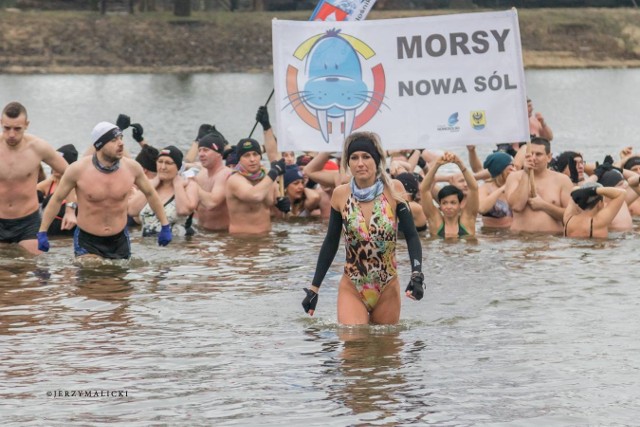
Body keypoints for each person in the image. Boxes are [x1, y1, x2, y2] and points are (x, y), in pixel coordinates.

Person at [301, 131, 424, 325]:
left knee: (386, 351)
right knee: (353, 345)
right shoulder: (340, 195)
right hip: (353, 285)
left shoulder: (394, 189)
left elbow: (411, 235)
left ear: (377, 160)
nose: (360, 163)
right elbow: (331, 242)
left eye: (366, 157)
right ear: (347, 163)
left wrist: (417, 273)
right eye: (354, 158)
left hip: (387, 286)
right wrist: (314, 288)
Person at [37, 121, 173, 259]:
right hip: (88, 240)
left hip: (119, 240)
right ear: (99, 145)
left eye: (121, 138)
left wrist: (165, 225)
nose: (121, 143)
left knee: (117, 278)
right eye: (114, 140)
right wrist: (43, 231)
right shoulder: (78, 170)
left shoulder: (132, 168)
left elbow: (150, 194)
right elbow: (57, 199)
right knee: (93, 270)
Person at [0, 101, 74, 254]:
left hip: (28, 221)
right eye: (7, 128)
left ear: (26, 125)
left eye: (17, 129)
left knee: (36, 269)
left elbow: (71, 174)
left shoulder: (38, 147)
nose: (11, 134)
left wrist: (70, 210)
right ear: (1, 123)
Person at [505, 137, 572, 234]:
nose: (533, 158)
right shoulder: (514, 177)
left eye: (538, 154)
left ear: (549, 157)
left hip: (553, 241)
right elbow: (516, 206)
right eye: (530, 154)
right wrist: (525, 174)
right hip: (520, 240)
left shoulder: (562, 180)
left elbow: (570, 216)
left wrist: (543, 205)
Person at [128, 145, 199, 237]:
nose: (163, 167)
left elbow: (183, 210)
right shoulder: (150, 185)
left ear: (178, 166)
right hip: (148, 248)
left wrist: (178, 185)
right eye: (160, 162)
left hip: (177, 247)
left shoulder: (189, 185)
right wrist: (153, 184)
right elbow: (132, 210)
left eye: (168, 163)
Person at [225, 138, 290, 235]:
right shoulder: (234, 179)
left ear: (260, 156)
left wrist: (284, 207)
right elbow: (255, 196)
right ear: (239, 159)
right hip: (241, 241)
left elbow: (283, 217)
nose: (252, 159)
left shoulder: (267, 177)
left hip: (266, 239)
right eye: (246, 155)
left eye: (255, 154)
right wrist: (274, 172)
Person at [419, 152, 479, 238]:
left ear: (460, 204)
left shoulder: (468, 220)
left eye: (453, 202)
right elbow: (424, 189)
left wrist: (460, 164)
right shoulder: (435, 221)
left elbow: (474, 188)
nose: (449, 206)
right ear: (440, 205)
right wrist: (437, 165)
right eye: (445, 203)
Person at [37, 144, 79, 236]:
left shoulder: (79, 186)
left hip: (68, 239)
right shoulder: (49, 184)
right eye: (53, 164)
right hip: (51, 237)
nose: (54, 167)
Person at [194, 133, 232, 231]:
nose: (201, 154)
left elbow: (212, 203)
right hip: (201, 232)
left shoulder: (226, 174)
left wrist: (192, 184)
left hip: (222, 236)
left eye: (206, 150)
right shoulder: (201, 174)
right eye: (199, 150)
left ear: (219, 154)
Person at [478, 151, 515, 229]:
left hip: (513, 236)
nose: (513, 169)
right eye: (510, 167)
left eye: (513, 166)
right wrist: (502, 188)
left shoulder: (515, 186)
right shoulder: (485, 188)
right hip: (492, 235)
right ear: (500, 170)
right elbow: (481, 208)